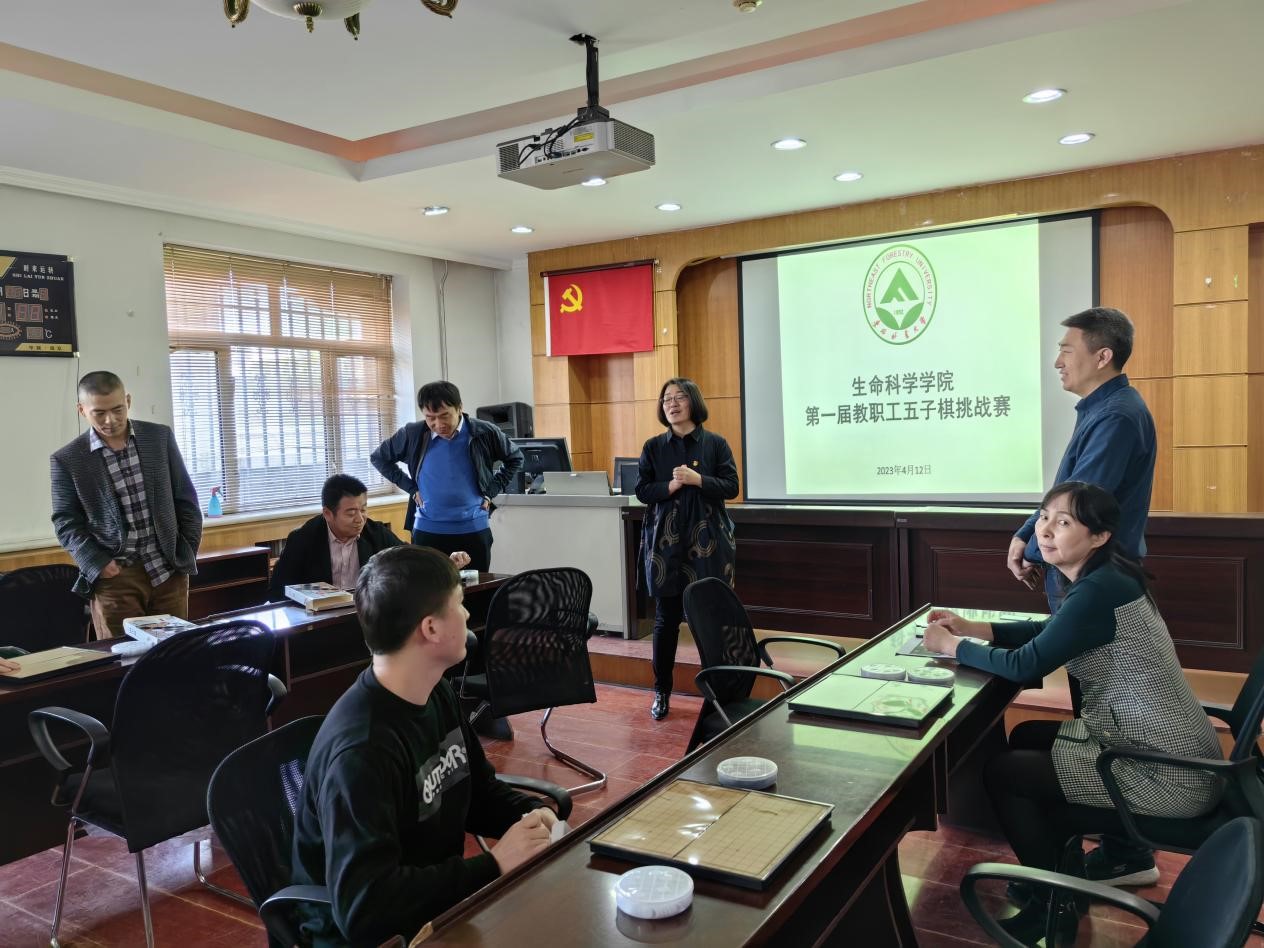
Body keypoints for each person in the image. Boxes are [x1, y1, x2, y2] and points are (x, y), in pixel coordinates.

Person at [928, 482, 1221, 944]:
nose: (1045, 531)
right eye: (1044, 517)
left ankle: (1053, 908)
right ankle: (1062, 881)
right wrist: (972, 627)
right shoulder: (1104, 578)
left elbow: (1028, 663)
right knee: (1027, 737)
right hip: (1167, 749)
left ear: (1099, 536)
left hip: (1168, 774)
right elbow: (1052, 631)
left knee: (1007, 774)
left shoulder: (1099, 588)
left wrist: (953, 646)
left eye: (1063, 522)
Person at [291, 545, 556, 947]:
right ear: (430, 629)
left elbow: (478, 794)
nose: (466, 615)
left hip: (435, 912)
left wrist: (534, 815)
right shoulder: (362, 752)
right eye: (459, 604)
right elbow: (366, 908)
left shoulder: (435, 692)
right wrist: (493, 864)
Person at [1005, 306, 1159, 886]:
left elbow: (1078, 504)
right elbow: (1064, 497)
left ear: (1103, 355)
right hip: (1084, 576)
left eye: (1066, 350)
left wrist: (1031, 540)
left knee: (1105, 718)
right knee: (1093, 716)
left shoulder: (1116, 416)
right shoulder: (1102, 409)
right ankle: (1109, 842)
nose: (1057, 361)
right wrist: (1027, 533)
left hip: (1093, 578)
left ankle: (1127, 852)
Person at [50, 371, 202, 639]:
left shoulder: (159, 437)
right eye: (99, 413)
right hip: (115, 578)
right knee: (123, 656)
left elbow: (186, 499)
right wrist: (98, 563)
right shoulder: (68, 459)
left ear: (128, 401)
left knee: (175, 652)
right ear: (82, 410)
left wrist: (186, 549)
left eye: (118, 409)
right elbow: (66, 522)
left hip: (168, 569)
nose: (110, 420)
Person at [636, 378, 739, 721]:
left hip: (707, 541)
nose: (672, 403)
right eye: (666, 399)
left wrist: (699, 480)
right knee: (665, 620)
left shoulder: (715, 444)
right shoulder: (654, 447)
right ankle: (661, 691)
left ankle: (720, 694)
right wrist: (669, 485)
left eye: (679, 397)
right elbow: (642, 490)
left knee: (711, 619)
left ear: (694, 402)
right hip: (666, 544)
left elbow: (732, 486)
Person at [370, 381, 523, 573]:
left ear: (459, 408)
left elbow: (515, 458)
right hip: (427, 530)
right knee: (429, 587)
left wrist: (491, 491)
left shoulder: (484, 432)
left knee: (476, 587)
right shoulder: (413, 434)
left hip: (473, 528)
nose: (438, 424)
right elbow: (379, 458)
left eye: (444, 416)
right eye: (430, 418)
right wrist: (411, 488)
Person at [267, 473, 469, 600]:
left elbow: (409, 555)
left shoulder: (374, 532)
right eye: (350, 512)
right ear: (328, 513)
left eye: (363, 509)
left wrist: (445, 561)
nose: (360, 519)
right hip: (316, 623)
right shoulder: (303, 539)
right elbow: (277, 591)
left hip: (365, 613)